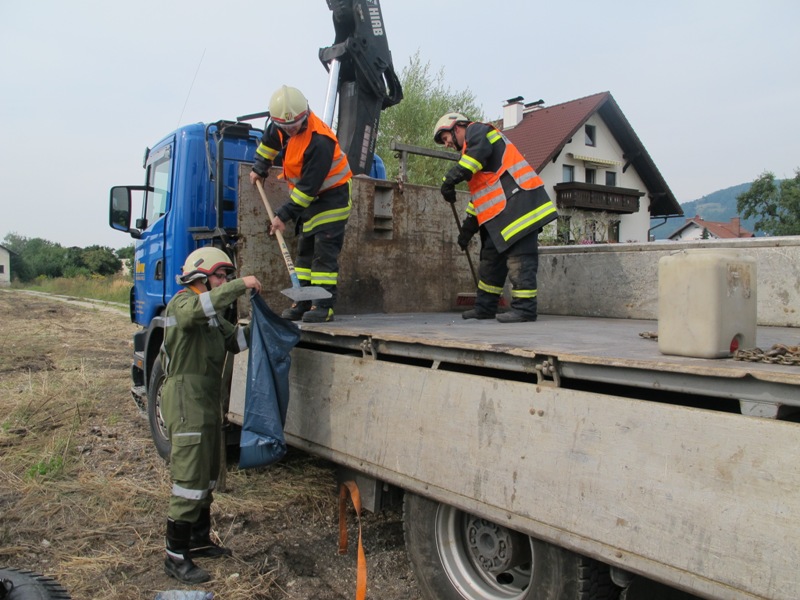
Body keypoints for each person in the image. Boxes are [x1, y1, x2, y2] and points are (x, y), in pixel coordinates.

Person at [160, 246, 262, 584]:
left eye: (227, 277)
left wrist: (270, 325)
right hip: (186, 401)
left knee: (207, 474)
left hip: (206, 401)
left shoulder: (213, 315)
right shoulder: (183, 303)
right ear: (201, 275)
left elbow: (236, 342)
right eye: (220, 275)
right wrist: (239, 286)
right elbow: (193, 314)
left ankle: (198, 541)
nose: (225, 282)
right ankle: (175, 557)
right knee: (189, 479)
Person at [434, 112, 558, 323]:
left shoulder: (477, 132)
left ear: (456, 128)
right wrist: (467, 230)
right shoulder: (471, 156)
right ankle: (484, 307)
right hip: (502, 214)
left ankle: (525, 310)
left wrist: (450, 179)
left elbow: (478, 155)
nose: (447, 144)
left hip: (521, 206)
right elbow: (481, 198)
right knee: (490, 260)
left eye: (445, 139)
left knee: (520, 260)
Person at [250, 85, 353, 323]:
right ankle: (303, 301)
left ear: (305, 112)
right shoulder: (281, 128)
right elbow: (268, 145)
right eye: (285, 127)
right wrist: (260, 166)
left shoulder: (320, 140)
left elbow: (308, 189)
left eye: (295, 125)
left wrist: (282, 216)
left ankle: (323, 306)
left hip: (331, 199)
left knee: (323, 255)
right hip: (309, 201)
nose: (291, 130)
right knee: (304, 254)